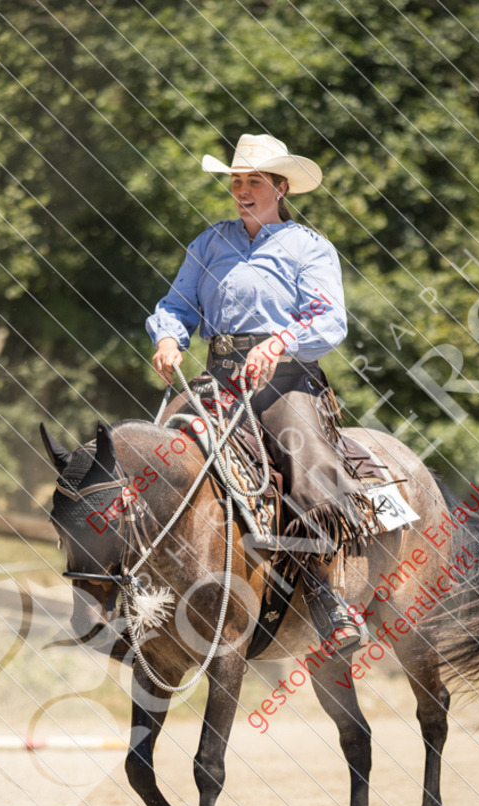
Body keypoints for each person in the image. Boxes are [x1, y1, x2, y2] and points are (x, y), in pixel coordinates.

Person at [146, 132, 374, 652]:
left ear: (280, 186)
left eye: (253, 181)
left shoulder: (310, 247)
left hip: (285, 380)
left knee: (310, 466)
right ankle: (138, 585)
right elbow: (178, 304)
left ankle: (326, 595)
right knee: (153, 455)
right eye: (236, 180)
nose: (242, 189)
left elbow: (328, 318)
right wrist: (166, 336)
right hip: (217, 375)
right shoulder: (208, 243)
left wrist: (279, 344)